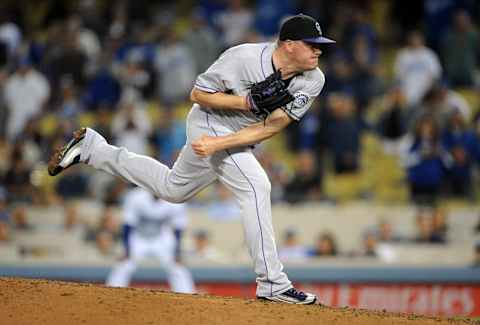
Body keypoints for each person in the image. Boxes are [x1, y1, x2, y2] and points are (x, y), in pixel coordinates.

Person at [48, 13, 335, 305]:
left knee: (173, 189)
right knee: (256, 186)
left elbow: (273, 124)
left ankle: (93, 149)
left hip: (232, 135)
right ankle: (272, 283)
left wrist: (219, 144)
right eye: (311, 44)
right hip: (209, 121)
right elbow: (198, 94)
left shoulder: (314, 79)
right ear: (288, 44)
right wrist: (244, 102)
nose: (318, 50)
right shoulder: (243, 57)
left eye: (319, 45)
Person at [105, 187, 195, 294]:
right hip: (139, 237)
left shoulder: (176, 198)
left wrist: (177, 253)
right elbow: (128, 225)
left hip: (162, 237)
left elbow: (178, 228)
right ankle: (111, 294)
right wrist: (127, 249)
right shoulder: (136, 196)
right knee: (124, 264)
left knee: (177, 267)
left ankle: (187, 295)